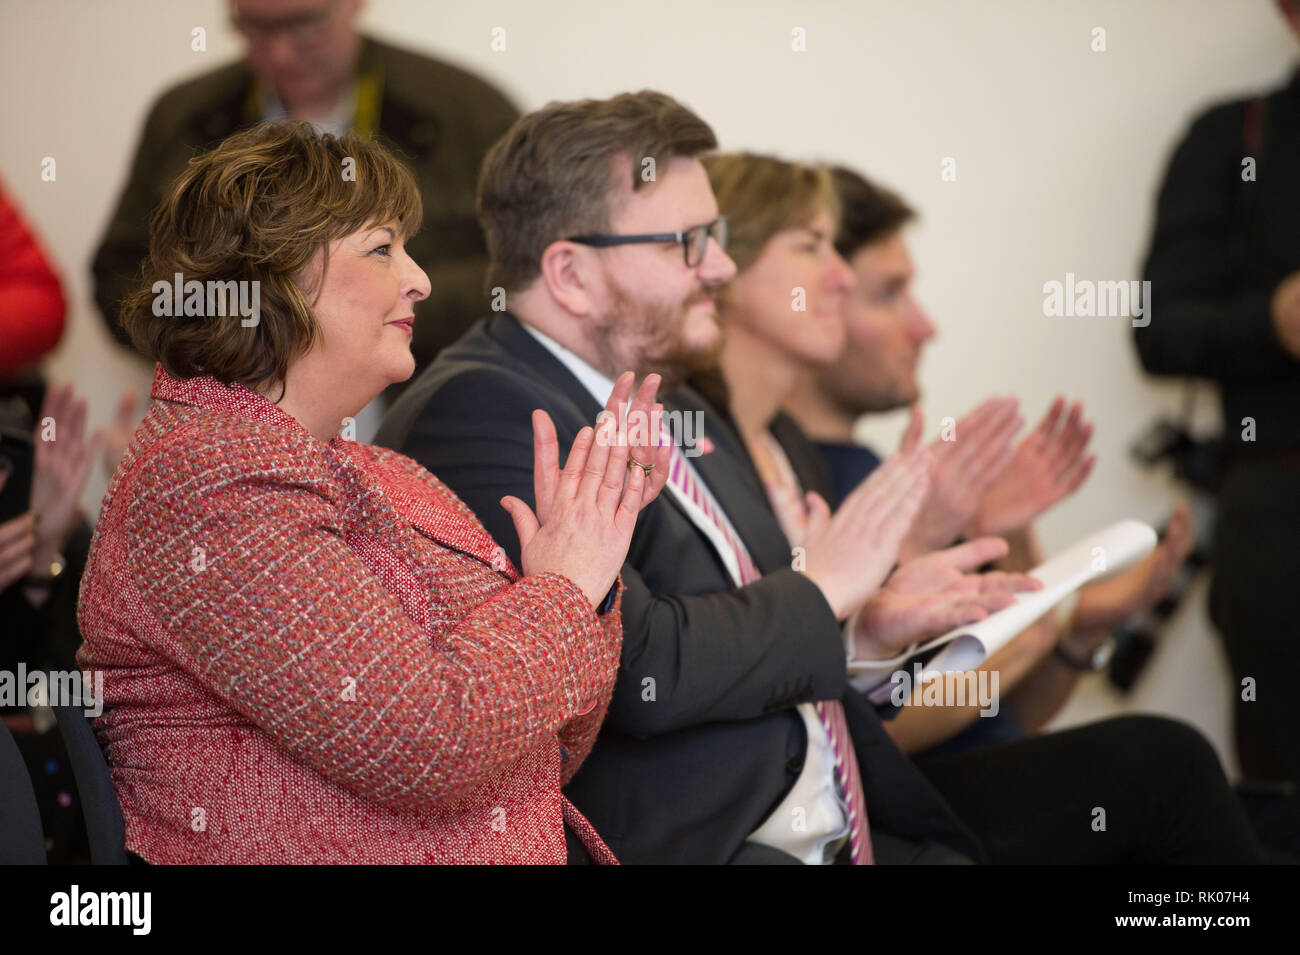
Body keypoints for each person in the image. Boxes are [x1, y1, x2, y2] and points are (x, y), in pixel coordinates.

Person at [377, 90, 1263, 863]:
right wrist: (827, 588)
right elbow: (629, 673)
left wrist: (867, 630)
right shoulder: (488, 409)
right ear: (570, 272)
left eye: (716, 237)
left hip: (847, 817)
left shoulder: (677, 403)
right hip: (724, 841)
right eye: (690, 242)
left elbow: (770, 632)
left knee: (1172, 801)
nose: (720, 269)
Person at [76, 120, 669, 865]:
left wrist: (587, 582)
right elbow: (434, 745)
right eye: (383, 249)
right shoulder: (208, 478)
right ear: (277, 278)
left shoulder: (384, 472)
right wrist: (564, 589)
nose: (420, 279)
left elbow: (533, 745)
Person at [775, 162, 1194, 756]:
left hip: (970, 816)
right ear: (817, 296)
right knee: (1167, 760)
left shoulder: (880, 472)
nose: (925, 327)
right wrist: (1041, 616)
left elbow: (1007, 728)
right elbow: (865, 741)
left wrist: (1079, 628)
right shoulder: (790, 491)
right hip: (911, 838)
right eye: (888, 294)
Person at [92, 0, 519, 404]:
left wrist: (367, 308)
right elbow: (122, 281)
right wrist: (258, 320)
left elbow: (521, 276)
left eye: (303, 25)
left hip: (425, 405)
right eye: (254, 27)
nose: (279, 54)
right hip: (236, 413)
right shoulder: (183, 116)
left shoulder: (467, 111)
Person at [1134, 0, 1300, 793]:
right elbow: (1156, 330)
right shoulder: (1237, 137)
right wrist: (1274, 319)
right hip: (1279, 510)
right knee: (1282, 792)